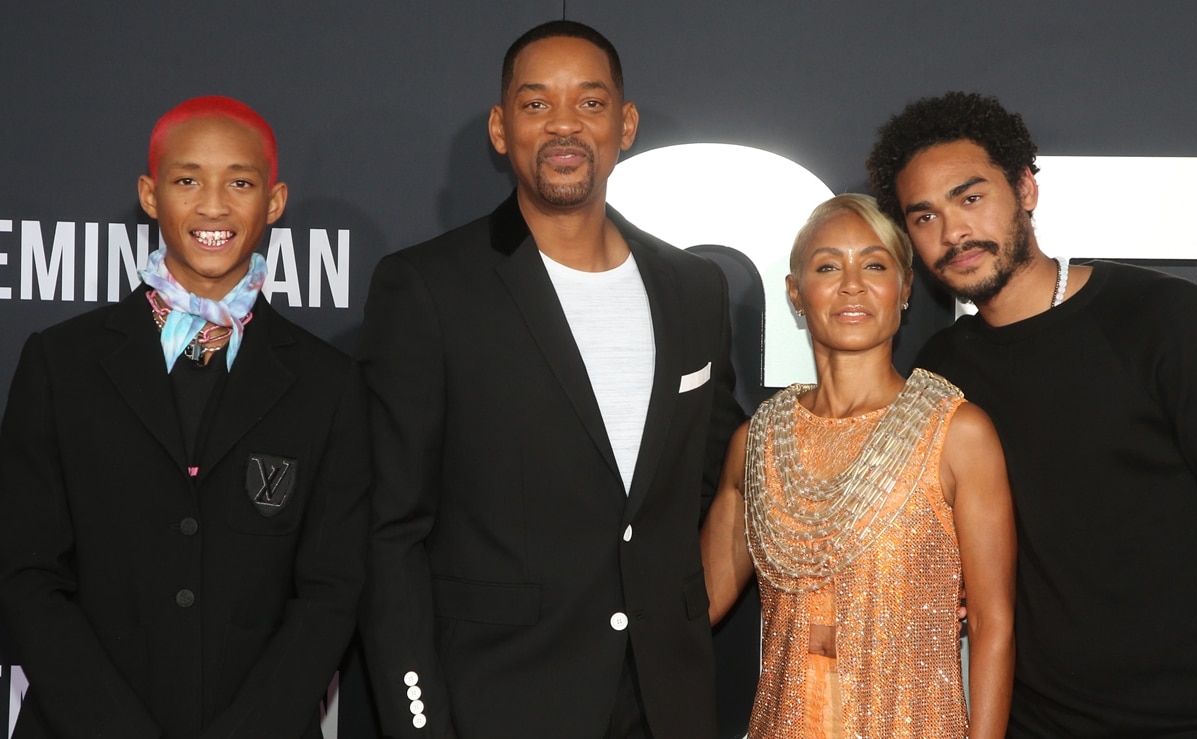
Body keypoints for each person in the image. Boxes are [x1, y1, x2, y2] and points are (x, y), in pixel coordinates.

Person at [358, 19, 742, 739]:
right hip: (496, 704)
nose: (565, 124)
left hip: (666, 706)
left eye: (590, 103)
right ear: (501, 129)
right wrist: (419, 724)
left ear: (624, 125)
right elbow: (391, 533)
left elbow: (715, 477)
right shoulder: (428, 288)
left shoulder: (694, 289)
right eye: (536, 104)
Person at [0, 96, 370, 738]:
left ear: (275, 202)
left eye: (241, 182)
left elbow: (331, 593)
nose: (214, 205)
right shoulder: (60, 364)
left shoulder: (328, 383)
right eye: (187, 179)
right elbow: (27, 575)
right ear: (150, 194)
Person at [866, 91, 1197, 736]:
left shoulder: (1159, 321)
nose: (954, 233)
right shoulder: (941, 371)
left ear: (1025, 188)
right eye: (925, 216)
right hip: (1035, 721)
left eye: (970, 198)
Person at [702, 193, 1015, 738]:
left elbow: (994, 626)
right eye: (828, 266)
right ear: (796, 293)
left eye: (874, 264)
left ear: (906, 289)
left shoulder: (958, 432)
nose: (852, 284)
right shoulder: (757, 442)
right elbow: (693, 607)